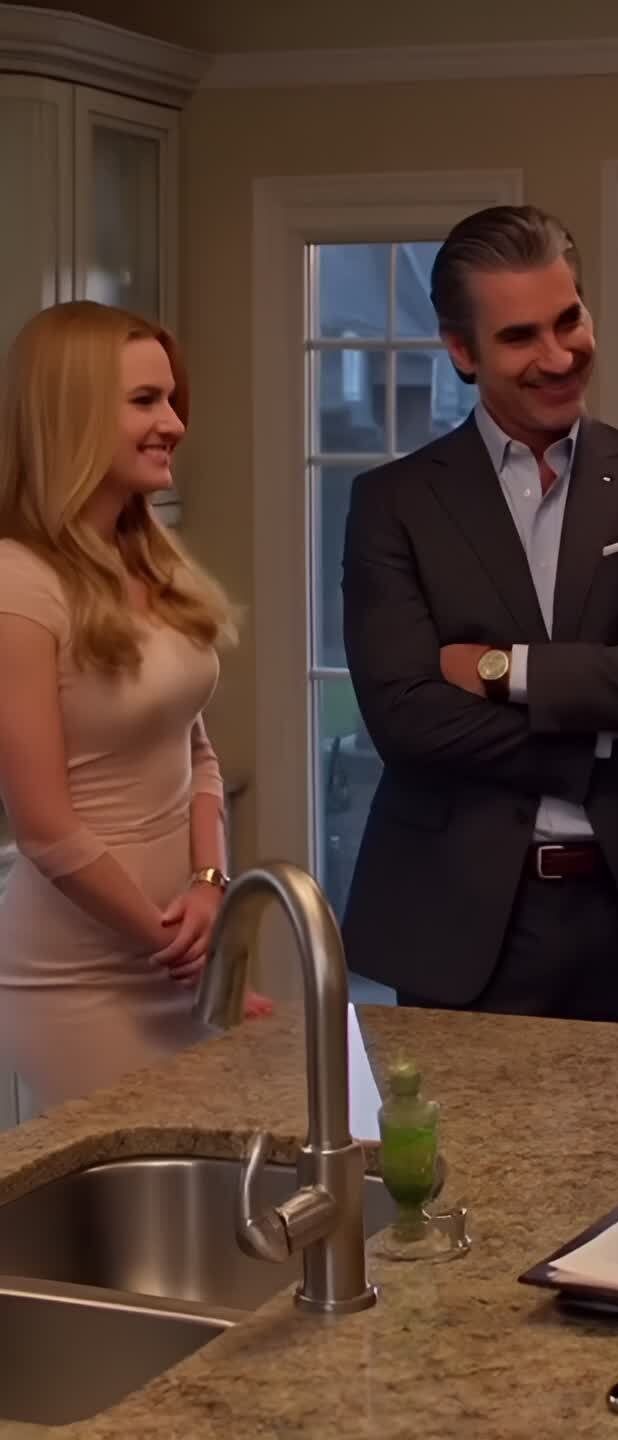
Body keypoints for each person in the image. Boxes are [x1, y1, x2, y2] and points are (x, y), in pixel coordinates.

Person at [341, 204, 618, 1024]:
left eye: (569, 320)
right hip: (455, 921)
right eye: (521, 336)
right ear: (462, 351)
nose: (560, 356)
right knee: (457, 1121)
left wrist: (505, 671)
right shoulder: (393, 503)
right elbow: (407, 721)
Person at [0, 301, 270, 1113]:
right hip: (80, 979)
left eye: (171, 400)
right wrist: (184, 952)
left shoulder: (153, 557)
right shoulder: (19, 585)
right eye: (146, 401)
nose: (175, 424)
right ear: (74, 416)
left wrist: (212, 885)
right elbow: (44, 827)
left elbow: (197, 754)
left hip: (177, 954)